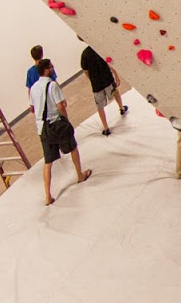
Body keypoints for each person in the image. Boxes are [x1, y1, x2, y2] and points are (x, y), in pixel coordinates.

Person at [29, 58, 92, 206]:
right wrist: (66, 122)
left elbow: (32, 108)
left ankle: (47, 195)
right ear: (46, 70)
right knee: (72, 147)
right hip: (56, 124)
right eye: (51, 67)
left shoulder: (33, 88)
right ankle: (80, 175)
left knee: (48, 162)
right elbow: (61, 106)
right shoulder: (52, 86)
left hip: (42, 129)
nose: (53, 69)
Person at [81, 43, 128, 136]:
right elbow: (109, 63)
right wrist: (116, 76)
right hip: (107, 79)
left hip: (96, 84)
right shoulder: (100, 48)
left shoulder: (84, 54)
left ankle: (106, 128)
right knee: (115, 92)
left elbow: (86, 71)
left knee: (100, 106)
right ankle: (122, 108)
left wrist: (92, 80)